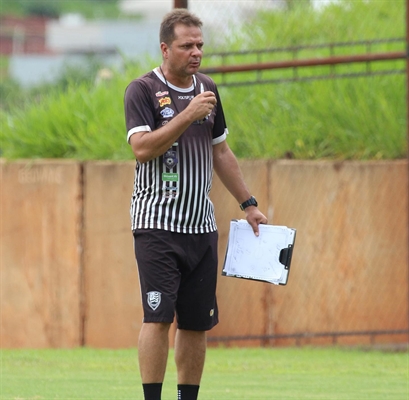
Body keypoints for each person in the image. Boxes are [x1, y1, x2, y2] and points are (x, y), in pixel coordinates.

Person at [124, 9, 268, 400]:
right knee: (158, 317)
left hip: (200, 228)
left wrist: (248, 203)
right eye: (187, 45)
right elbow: (141, 148)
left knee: (195, 324)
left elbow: (221, 153)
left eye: (200, 45)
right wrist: (187, 114)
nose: (196, 53)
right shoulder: (141, 90)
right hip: (156, 225)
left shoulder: (207, 89)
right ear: (165, 48)